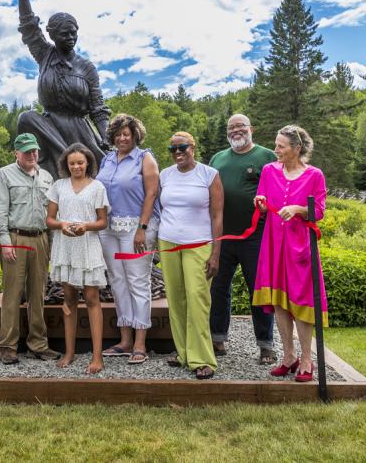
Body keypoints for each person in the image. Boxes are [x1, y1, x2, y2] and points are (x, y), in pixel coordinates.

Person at [7, 0, 110, 176]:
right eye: (65, 34)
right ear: (52, 35)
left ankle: (74, 162)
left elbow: (99, 109)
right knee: (26, 118)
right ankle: (63, 161)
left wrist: (105, 136)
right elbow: (28, 26)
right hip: (50, 127)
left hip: (79, 130)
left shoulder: (87, 67)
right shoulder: (45, 54)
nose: (71, 38)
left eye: (74, 33)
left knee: (104, 170)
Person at [253, 125, 328, 383]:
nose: (276, 150)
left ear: (297, 148)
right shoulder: (269, 171)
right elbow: (262, 198)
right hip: (273, 242)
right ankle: (288, 356)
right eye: (276, 145)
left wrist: (297, 208)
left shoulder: (314, 175)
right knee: (278, 301)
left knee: (302, 301)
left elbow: (318, 211)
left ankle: (307, 359)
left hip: (300, 246)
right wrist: (260, 203)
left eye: (281, 146)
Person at [208, 114, 277, 363]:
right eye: (231, 127)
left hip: (255, 237)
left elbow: (278, 191)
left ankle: (266, 345)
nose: (236, 130)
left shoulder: (266, 157)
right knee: (218, 289)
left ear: (251, 129)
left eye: (240, 126)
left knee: (258, 290)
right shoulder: (218, 158)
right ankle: (217, 339)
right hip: (222, 236)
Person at [0, 133, 61, 364]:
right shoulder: (4, 174)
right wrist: (4, 241)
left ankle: (38, 344)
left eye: (35, 150)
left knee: (38, 293)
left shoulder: (47, 177)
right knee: (12, 293)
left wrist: (51, 242)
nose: (32, 154)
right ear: (16, 153)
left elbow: (51, 213)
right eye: (27, 151)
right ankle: (8, 346)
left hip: (40, 238)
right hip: (15, 238)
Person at [158, 131, 223, 380]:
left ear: (192, 148)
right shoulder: (165, 175)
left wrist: (216, 252)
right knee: (176, 299)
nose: (177, 153)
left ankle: (203, 358)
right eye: (173, 149)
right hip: (168, 241)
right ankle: (183, 352)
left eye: (182, 147)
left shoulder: (209, 175)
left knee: (197, 299)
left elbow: (217, 216)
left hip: (199, 244)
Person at [97, 114, 160, 364]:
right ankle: (124, 341)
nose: (122, 137)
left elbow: (152, 193)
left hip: (136, 227)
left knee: (138, 282)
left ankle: (140, 344)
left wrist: (142, 228)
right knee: (117, 282)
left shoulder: (145, 158)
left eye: (127, 133)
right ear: (112, 136)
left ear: (135, 135)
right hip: (109, 229)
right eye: (118, 133)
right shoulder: (107, 159)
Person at [46, 143, 110, 374]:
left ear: (88, 163)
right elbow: (50, 220)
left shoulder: (97, 187)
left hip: (88, 244)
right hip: (65, 246)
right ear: (66, 165)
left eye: (80, 162)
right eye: (72, 163)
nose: (76, 166)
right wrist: (62, 224)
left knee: (92, 298)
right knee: (70, 299)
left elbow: (103, 221)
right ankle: (69, 352)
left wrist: (86, 226)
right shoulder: (58, 186)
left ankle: (97, 356)